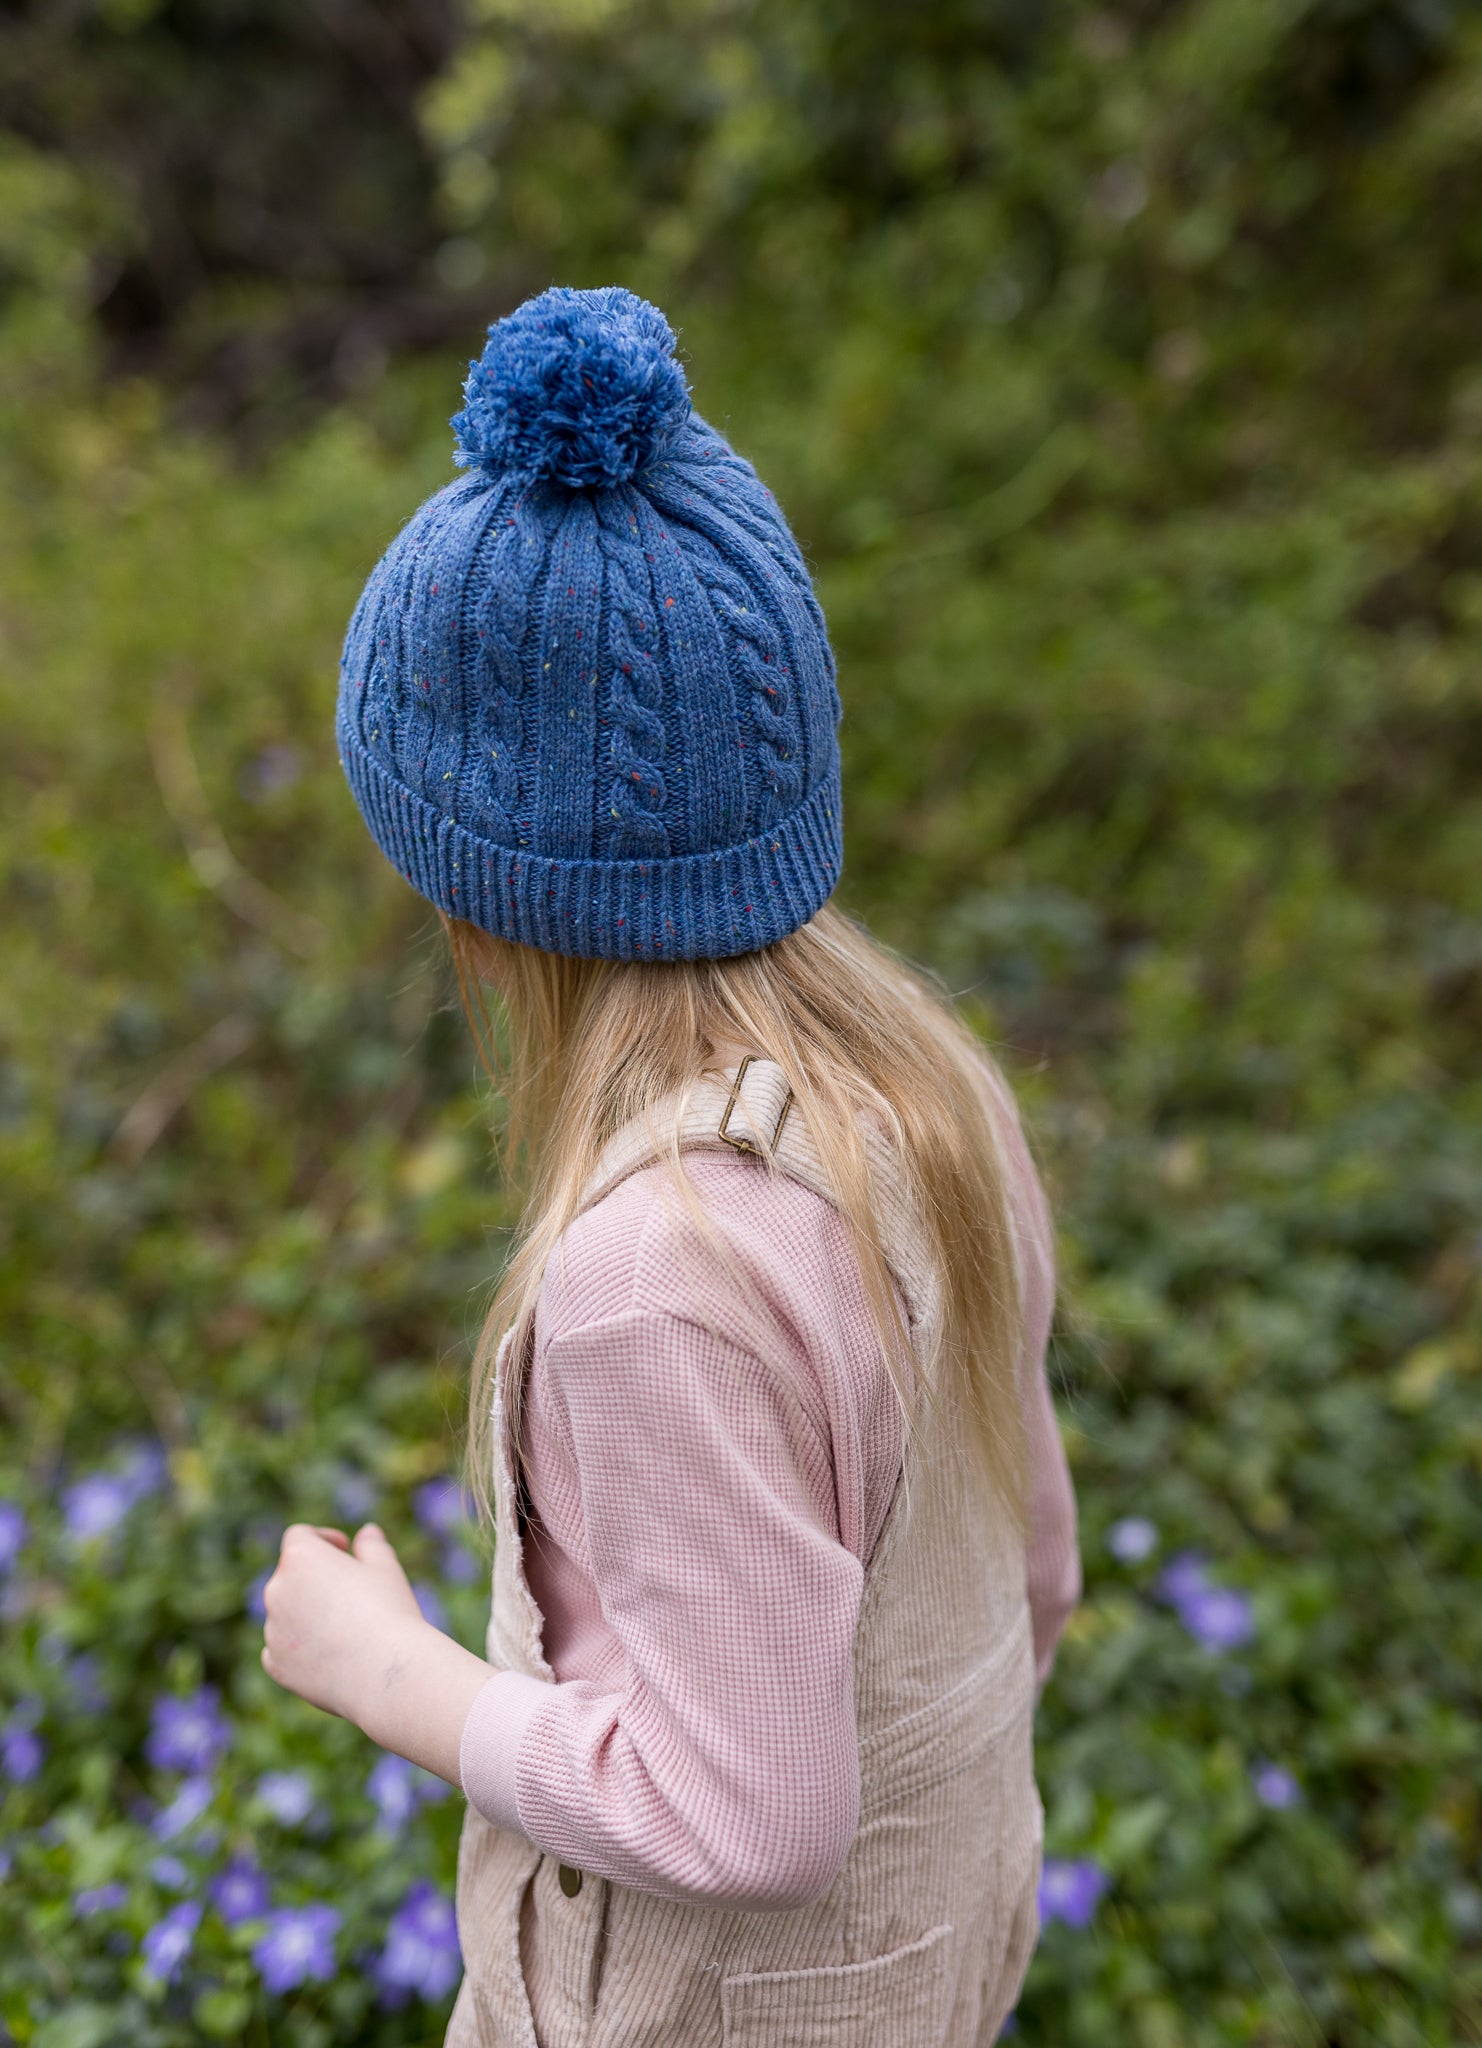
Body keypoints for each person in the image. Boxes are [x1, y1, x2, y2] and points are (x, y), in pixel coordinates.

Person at [260, 285, 1080, 2047]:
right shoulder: (940, 1105)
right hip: (938, 1974)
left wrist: (392, 1677)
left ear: (486, 919)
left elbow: (749, 1817)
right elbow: (1034, 1577)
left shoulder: (657, 1287)